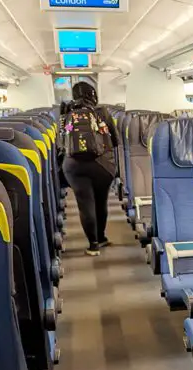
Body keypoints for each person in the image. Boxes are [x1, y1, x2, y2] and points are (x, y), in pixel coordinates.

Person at [60, 82, 120, 256]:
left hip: (74, 166)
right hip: (101, 164)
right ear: (92, 94)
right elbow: (115, 140)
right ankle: (101, 237)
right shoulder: (102, 112)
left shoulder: (66, 113)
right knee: (101, 202)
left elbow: (61, 143)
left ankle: (92, 245)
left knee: (85, 204)